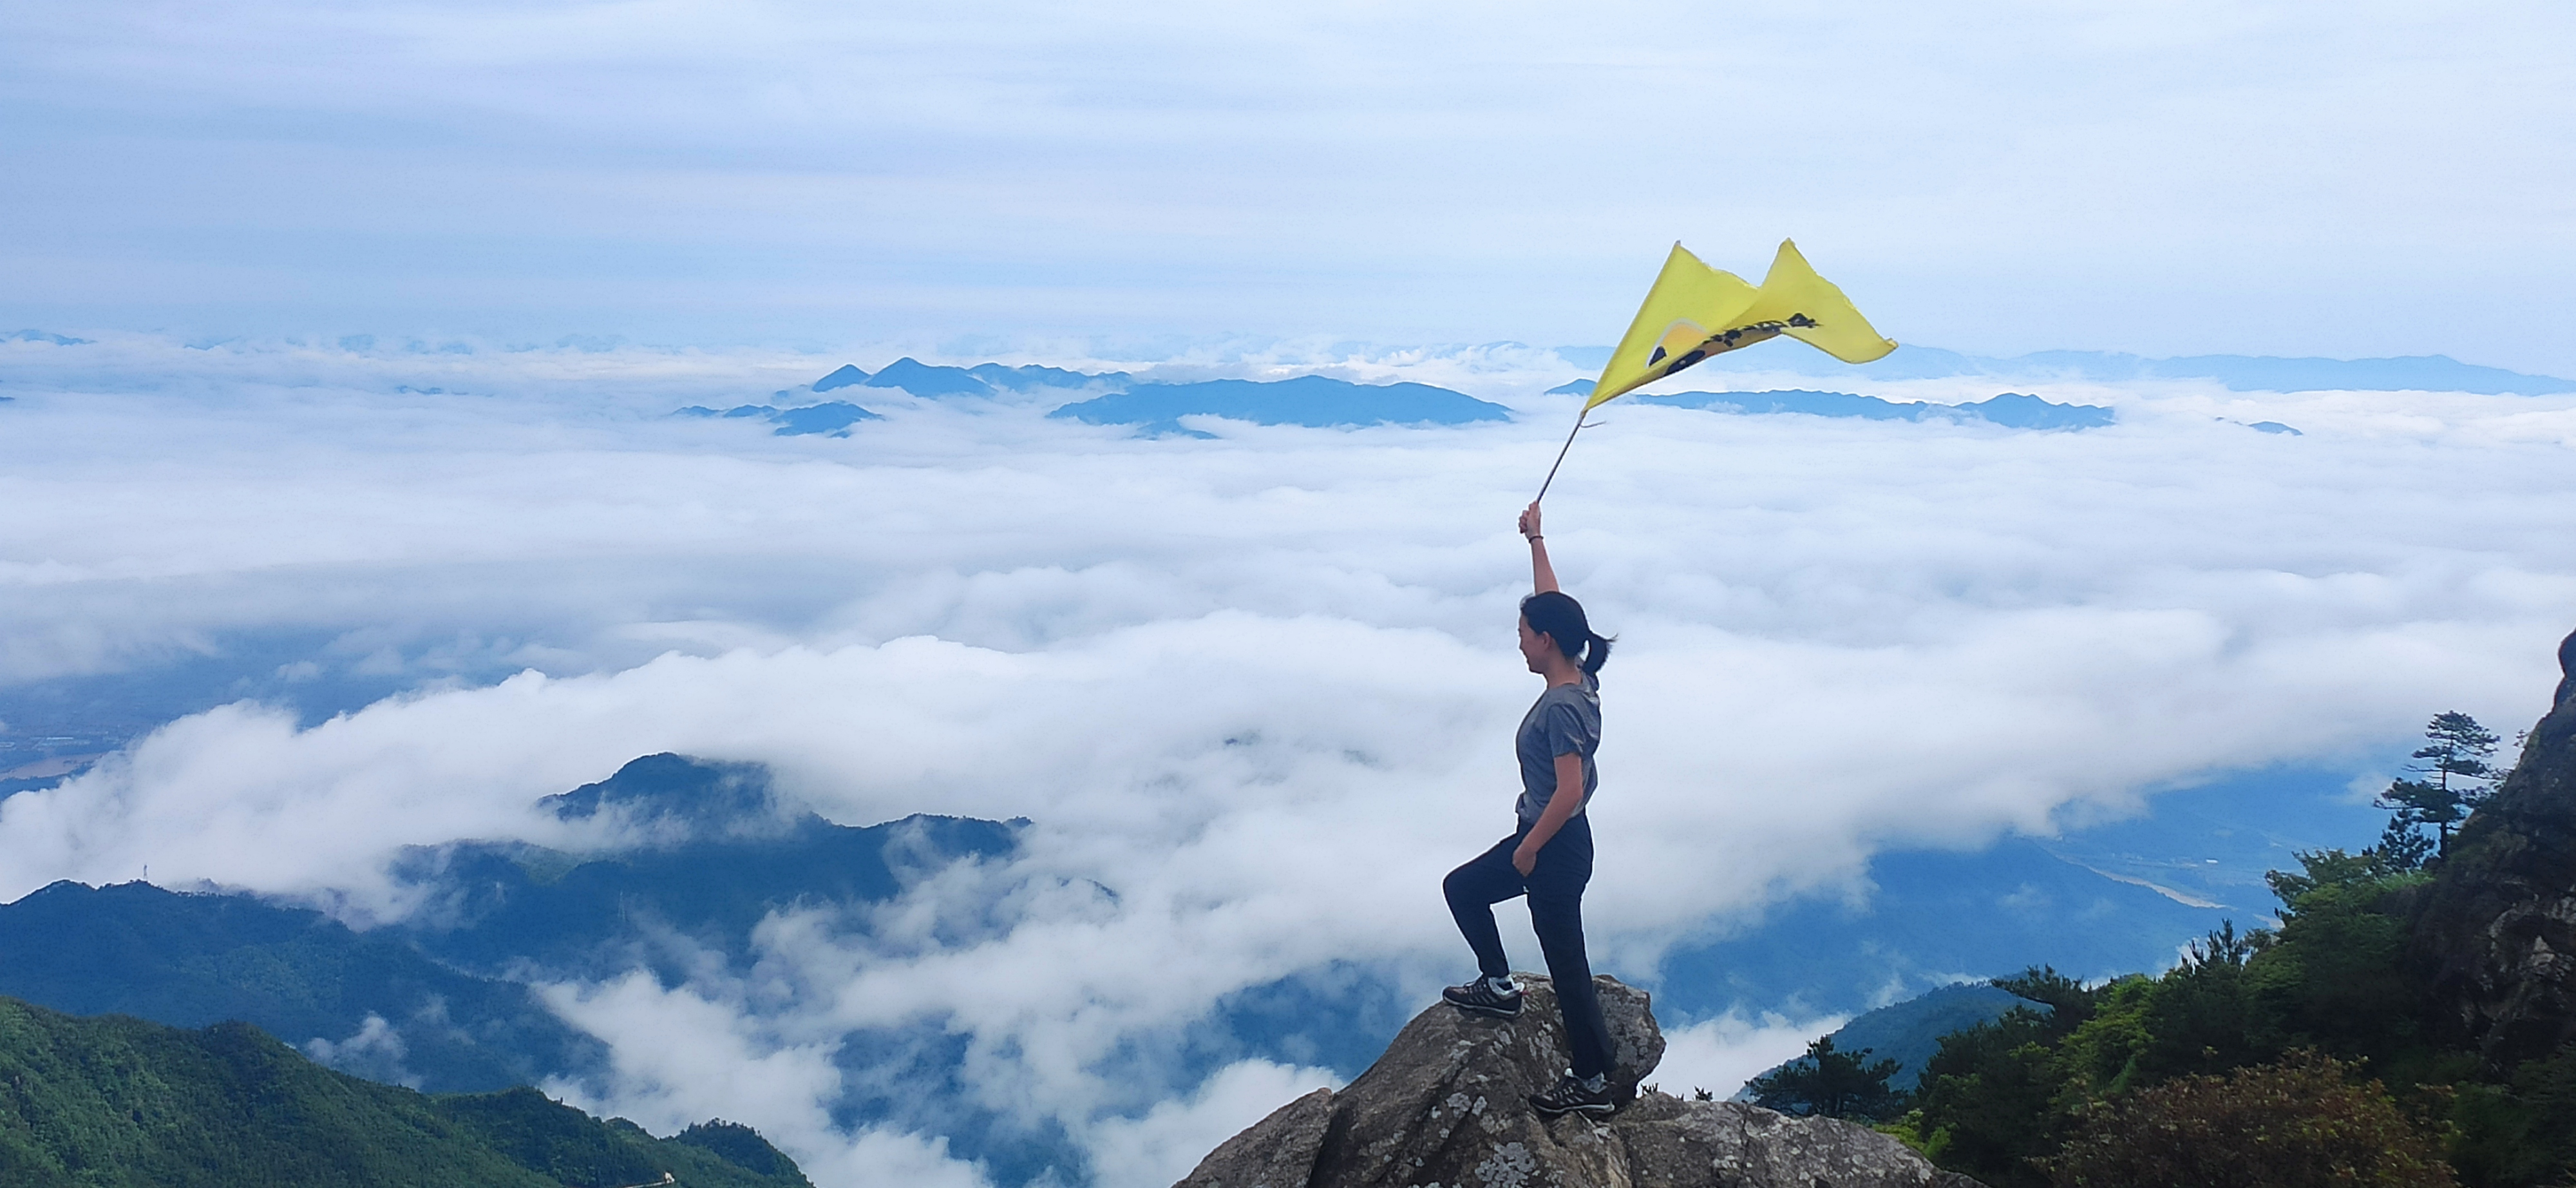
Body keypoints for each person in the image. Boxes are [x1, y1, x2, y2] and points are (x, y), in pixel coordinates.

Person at [1440, 499, 1620, 1117]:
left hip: (1553, 844)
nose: (1518, 642)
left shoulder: (1563, 707)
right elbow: (1557, 608)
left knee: (1566, 964)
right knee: (1464, 890)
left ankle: (1590, 1084)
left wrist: (1529, 849)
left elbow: (1568, 792)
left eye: (1523, 633)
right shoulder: (1578, 677)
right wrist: (1537, 540)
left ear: (1545, 642)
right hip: (1553, 838)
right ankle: (1498, 986)